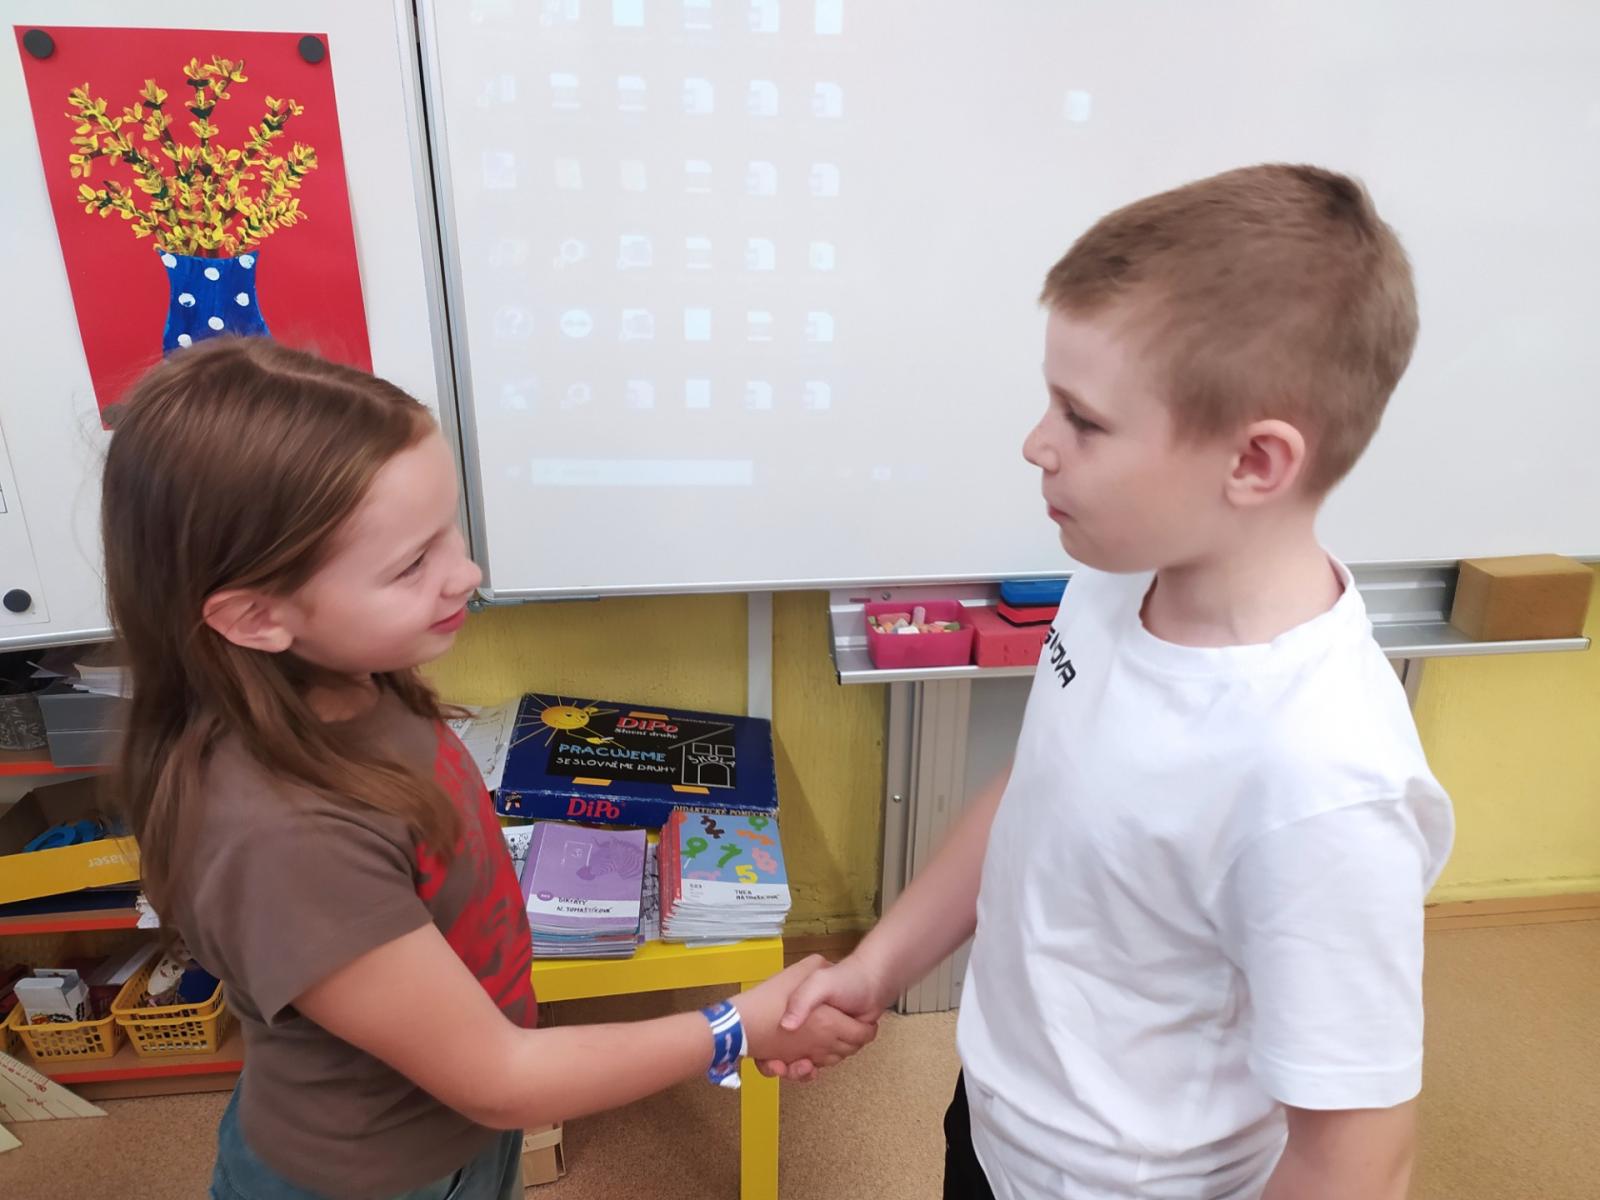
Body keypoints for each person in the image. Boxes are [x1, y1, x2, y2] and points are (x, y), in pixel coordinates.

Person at [770, 164, 1455, 1200]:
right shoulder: (1116, 575)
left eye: (1082, 421)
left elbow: (1356, 1159)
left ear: (1254, 463)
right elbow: (1040, 789)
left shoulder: (1321, 785)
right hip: (999, 1125)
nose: (1036, 444)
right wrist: (877, 965)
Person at [101, 337, 874, 1200]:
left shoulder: (355, 681)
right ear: (256, 617)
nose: (465, 572)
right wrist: (735, 1027)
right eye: (411, 564)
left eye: (450, 530)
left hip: (460, 1133)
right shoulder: (282, 837)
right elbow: (500, 1077)